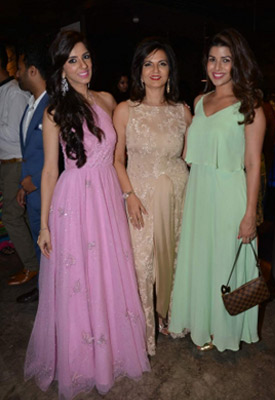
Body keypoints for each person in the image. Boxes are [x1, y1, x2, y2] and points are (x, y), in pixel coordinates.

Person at [24, 31, 150, 399]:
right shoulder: (54, 111)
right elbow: (50, 170)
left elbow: (120, 152)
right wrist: (44, 225)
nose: (83, 65)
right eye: (73, 60)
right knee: (80, 279)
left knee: (108, 274)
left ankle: (110, 353)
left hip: (107, 197)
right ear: (61, 68)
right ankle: (83, 361)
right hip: (75, 200)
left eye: (86, 57)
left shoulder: (107, 100)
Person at [169, 28, 266, 352]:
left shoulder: (250, 106)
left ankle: (223, 331)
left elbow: (252, 164)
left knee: (225, 262)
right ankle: (203, 323)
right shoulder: (199, 102)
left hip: (229, 197)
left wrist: (249, 214)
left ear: (238, 63)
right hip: (199, 195)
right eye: (212, 59)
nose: (217, 66)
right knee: (202, 260)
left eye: (226, 59)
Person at [113, 38, 192, 356]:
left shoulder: (182, 112)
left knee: (175, 259)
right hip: (140, 199)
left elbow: (187, 158)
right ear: (139, 71)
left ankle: (172, 317)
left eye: (162, 63)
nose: (155, 70)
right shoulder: (125, 110)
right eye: (148, 64)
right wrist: (129, 194)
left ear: (170, 70)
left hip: (178, 197)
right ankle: (143, 333)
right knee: (142, 264)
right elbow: (117, 160)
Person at [14, 40, 50, 303]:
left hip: (48, 191)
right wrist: (22, 186)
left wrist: (35, 181)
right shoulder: (30, 105)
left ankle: (53, 294)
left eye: (19, 68)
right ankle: (44, 289)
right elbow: (30, 151)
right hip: (33, 193)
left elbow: (62, 155)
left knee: (51, 245)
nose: (16, 74)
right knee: (41, 243)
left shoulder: (53, 105)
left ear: (33, 71)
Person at [0, 42, 38, 286]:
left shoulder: (14, 92)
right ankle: (34, 264)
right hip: (7, 163)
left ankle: (32, 267)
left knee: (12, 216)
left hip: (15, 162)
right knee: (19, 216)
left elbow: (16, 134)